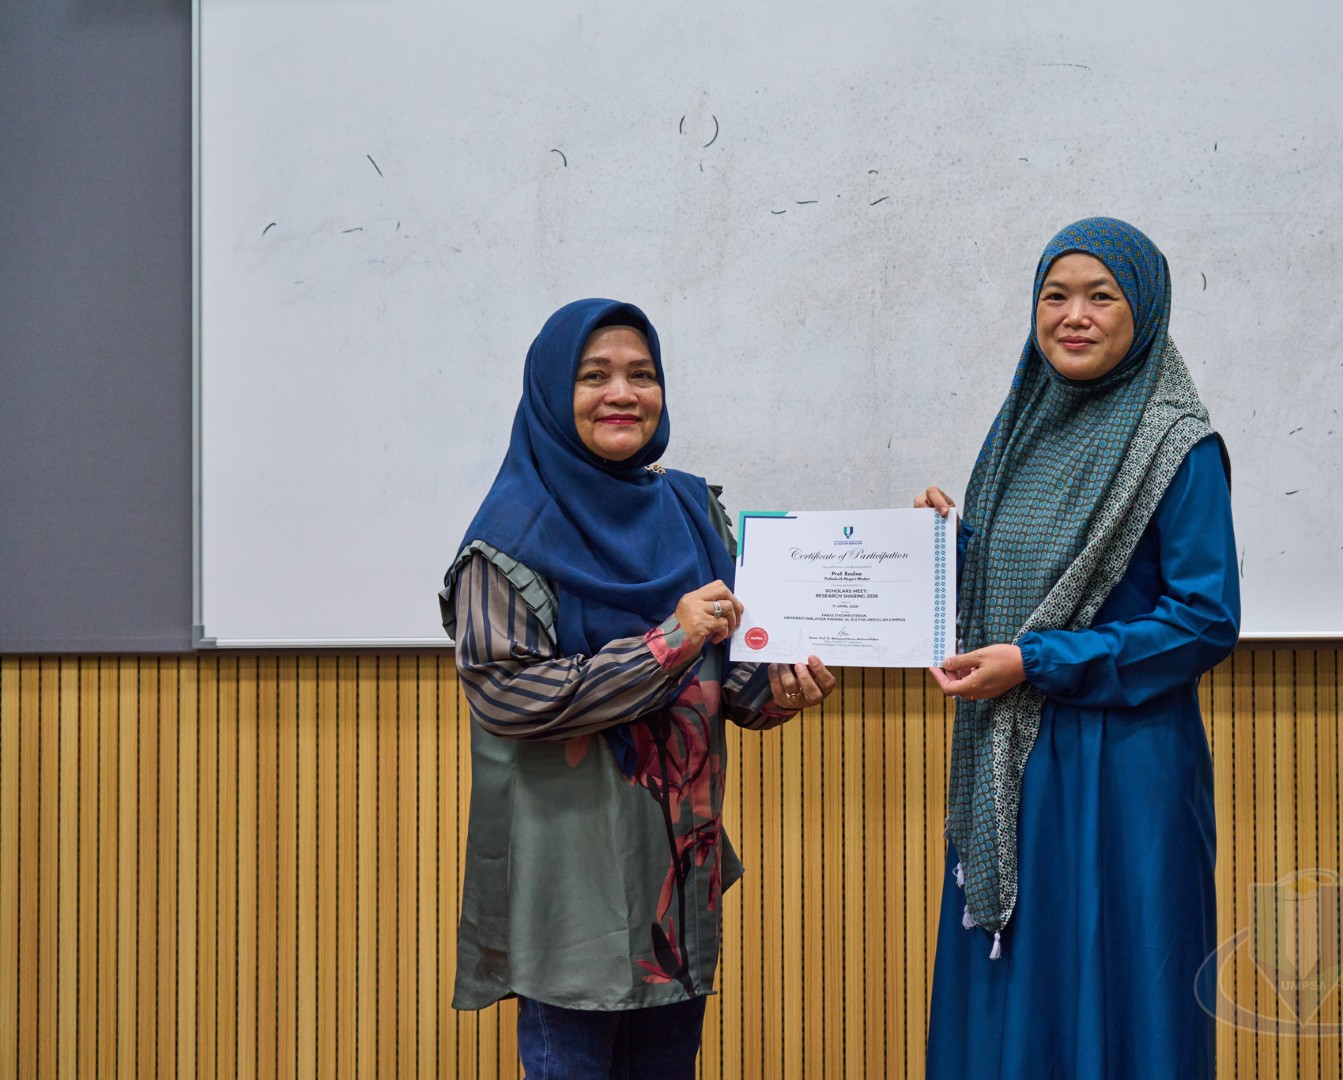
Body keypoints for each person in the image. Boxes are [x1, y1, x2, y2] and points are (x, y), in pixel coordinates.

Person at [439, 298, 835, 1079]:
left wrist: (779, 693)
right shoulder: (507, 537)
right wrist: (667, 643)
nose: (622, 393)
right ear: (553, 394)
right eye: (593, 376)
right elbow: (507, 695)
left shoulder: (691, 509)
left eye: (641, 375)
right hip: (568, 889)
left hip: (672, 879)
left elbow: (734, 676)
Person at [917, 218, 1240, 1078]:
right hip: (1012, 765)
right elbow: (1016, 591)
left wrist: (1041, 661)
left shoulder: (1178, 444)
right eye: (1054, 296)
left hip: (1124, 770)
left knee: (1118, 983)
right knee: (1022, 993)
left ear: (1145, 310)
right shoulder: (1020, 430)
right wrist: (943, 554)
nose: (1074, 316)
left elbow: (1204, 619)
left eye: (1102, 296)